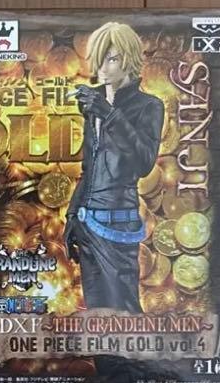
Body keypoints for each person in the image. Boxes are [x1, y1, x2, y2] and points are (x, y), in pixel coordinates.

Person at [64, 21, 164, 316]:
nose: (102, 69)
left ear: (129, 59)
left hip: (119, 224)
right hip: (87, 223)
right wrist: (72, 215)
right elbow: (89, 168)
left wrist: (108, 114)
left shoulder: (148, 106)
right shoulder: (93, 103)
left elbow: (144, 162)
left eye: (111, 59)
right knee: (99, 315)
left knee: (125, 314)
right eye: (98, 60)